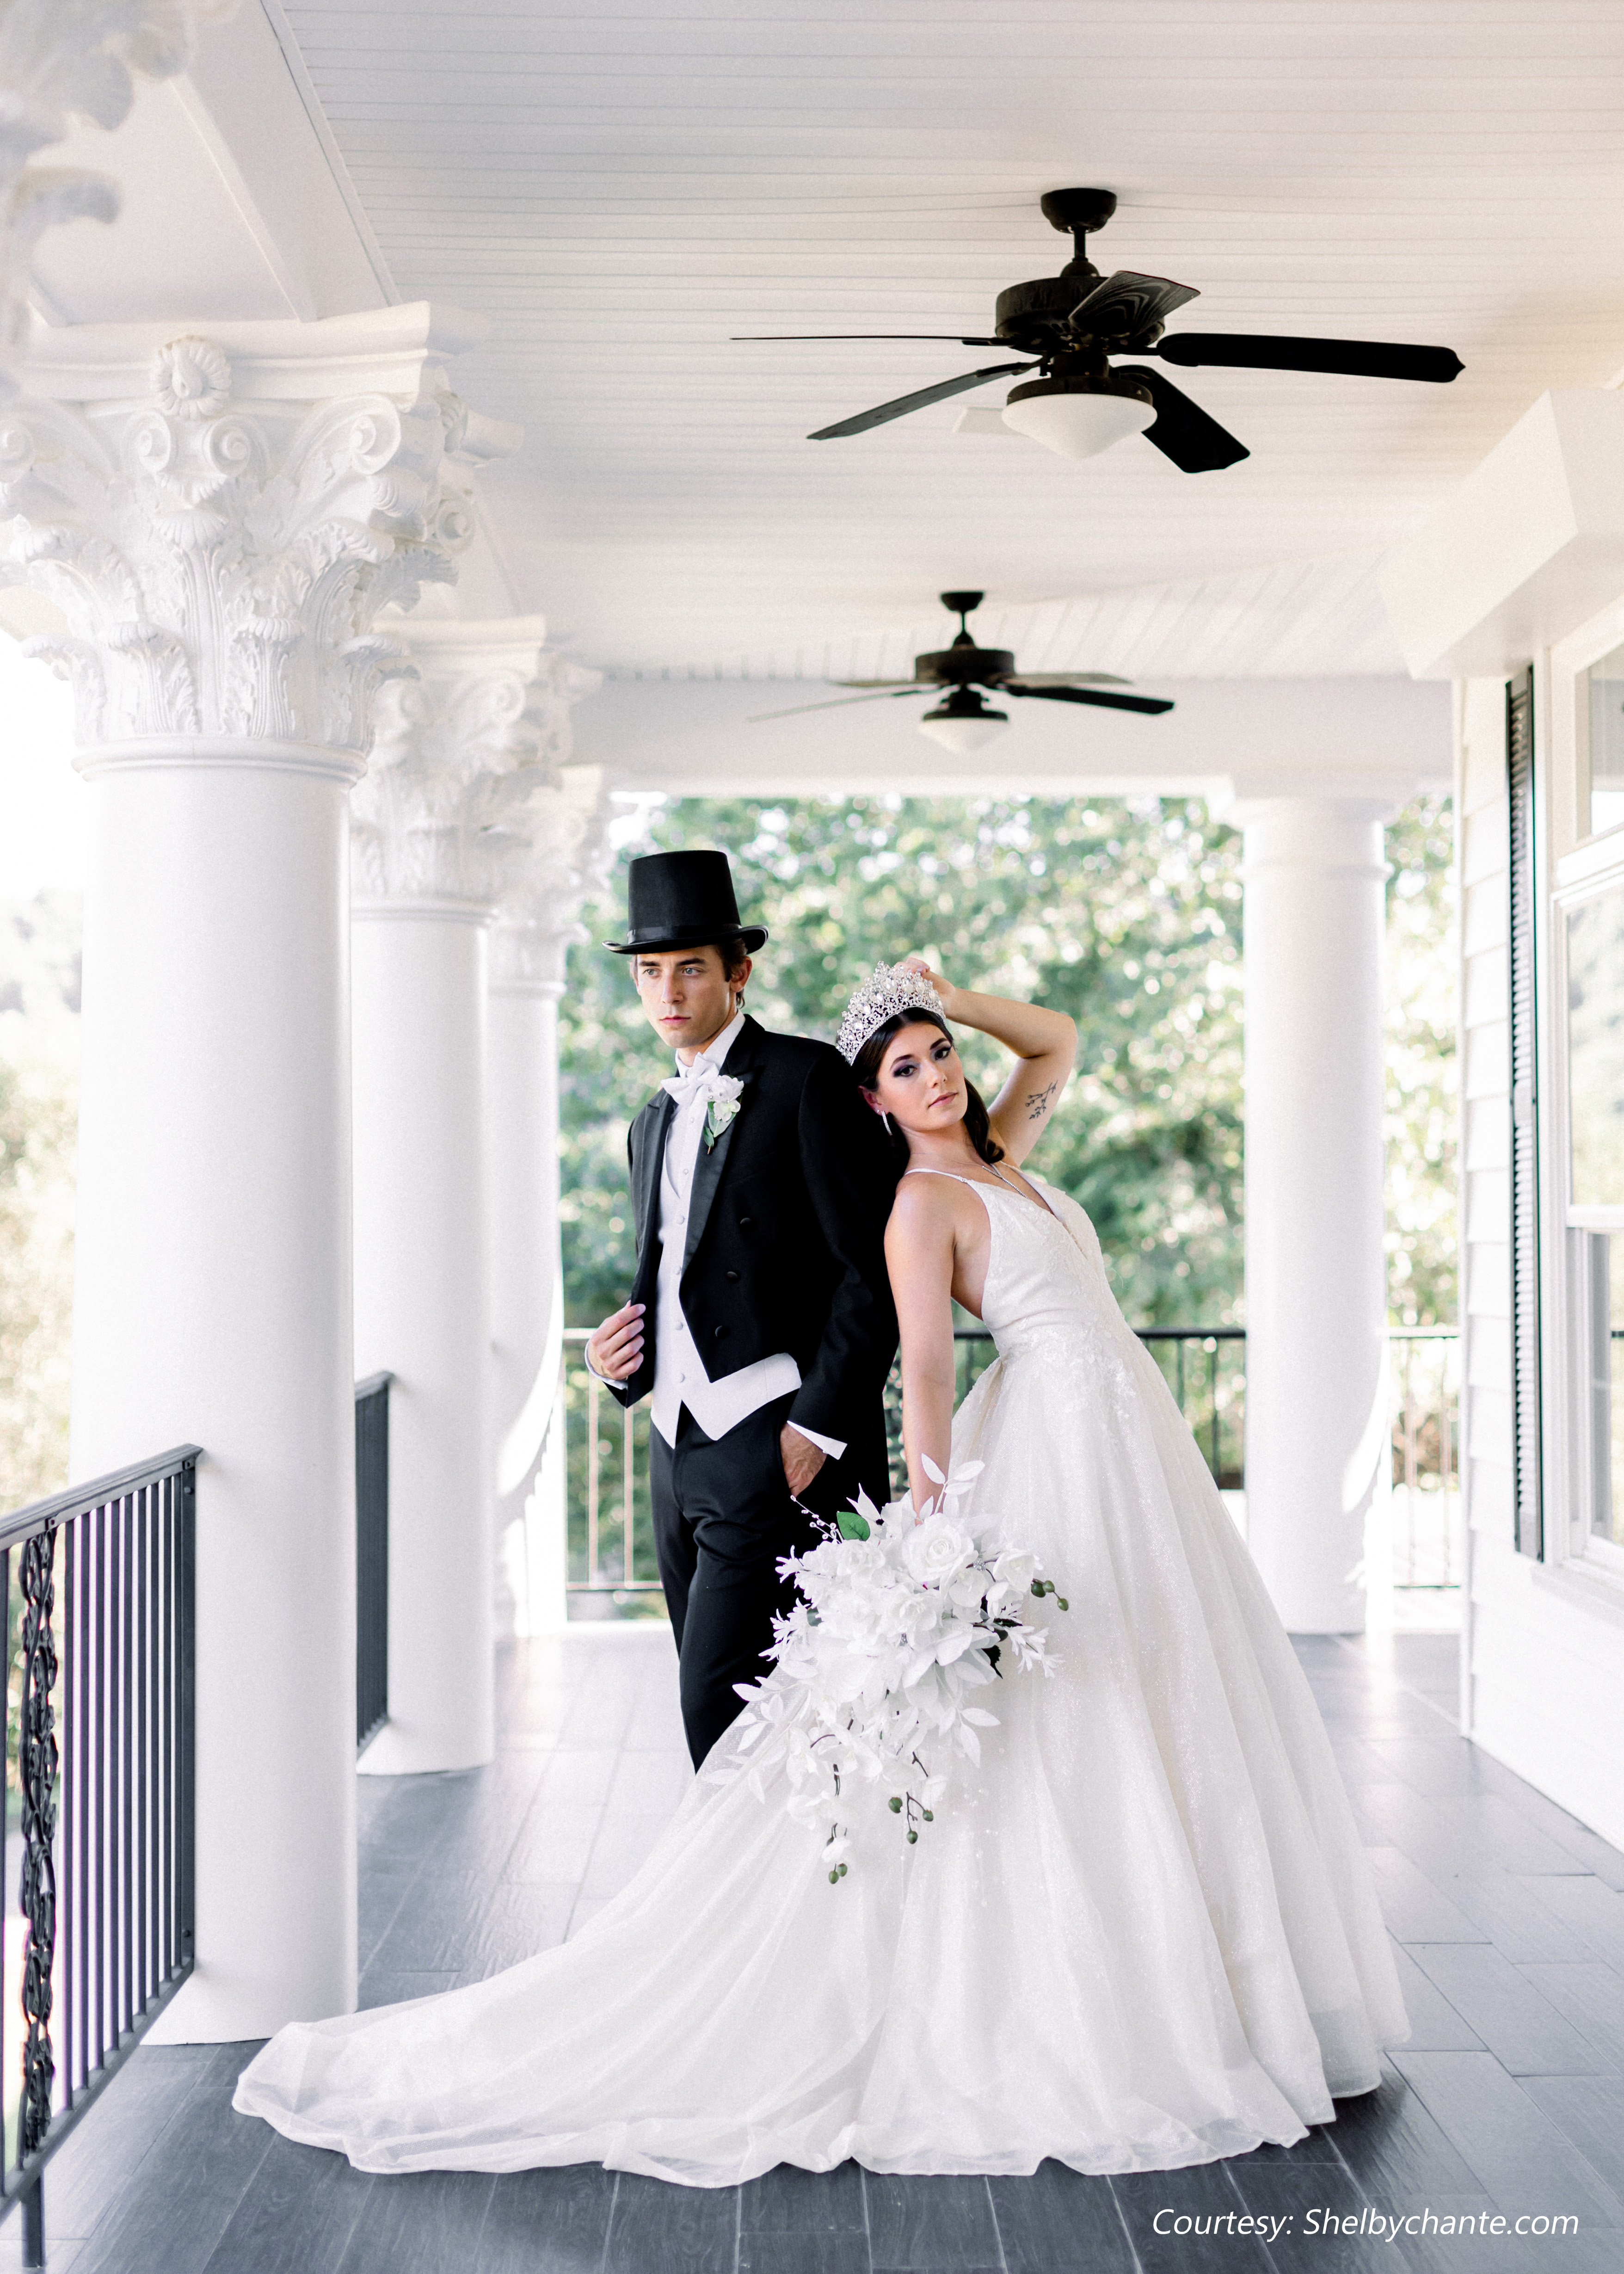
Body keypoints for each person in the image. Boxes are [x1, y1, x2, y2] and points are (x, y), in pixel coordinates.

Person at [234, 956, 1407, 2184]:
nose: (940, 1075)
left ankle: (1217, 1971)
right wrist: (936, 1524)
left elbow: (1055, 1040)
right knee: (1066, 1702)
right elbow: (931, 1369)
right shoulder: (921, 1204)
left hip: (1130, 1449)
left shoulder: (1006, 1148)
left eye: (941, 1053)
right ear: (875, 1100)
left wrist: (955, 996)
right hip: (1050, 1446)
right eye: (907, 1066)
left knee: (1161, 1684)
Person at [583, 848, 897, 1766]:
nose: (668, 990)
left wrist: (822, 1425)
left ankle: (745, 1906)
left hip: (771, 1441)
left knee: (715, 1704)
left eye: (690, 967)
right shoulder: (651, 1118)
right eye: (650, 971)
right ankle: (780, 1900)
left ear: (737, 971)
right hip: (674, 1454)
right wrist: (615, 1360)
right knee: (741, 1708)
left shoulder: (805, 1080)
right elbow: (673, 1278)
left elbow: (869, 1267)